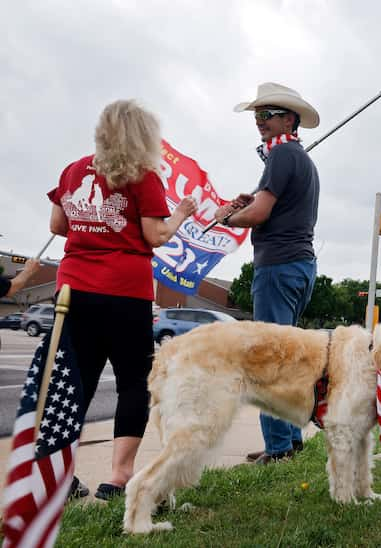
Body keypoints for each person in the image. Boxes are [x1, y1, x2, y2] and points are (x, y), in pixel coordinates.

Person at [48, 100, 197, 500]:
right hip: (124, 293)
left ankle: (60, 479)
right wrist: (180, 213)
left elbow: (57, 224)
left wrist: (92, 235)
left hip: (73, 290)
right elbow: (156, 236)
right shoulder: (142, 176)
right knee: (133, 382)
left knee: (74, 385)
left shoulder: (73, 170)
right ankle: (118, 475)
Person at [214, 82, 320, 465]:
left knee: (270, 360)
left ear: (289, 119)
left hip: (278, 265)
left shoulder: (281, 157)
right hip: (299, 264)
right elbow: (267, 204)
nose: (259, 121)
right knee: (286, 357)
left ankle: (279, 449)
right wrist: (252, 200)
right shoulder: (298, 159)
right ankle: (288, 439)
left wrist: (228, 216)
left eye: (267, 114)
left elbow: (259, 215)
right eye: (257, 115)